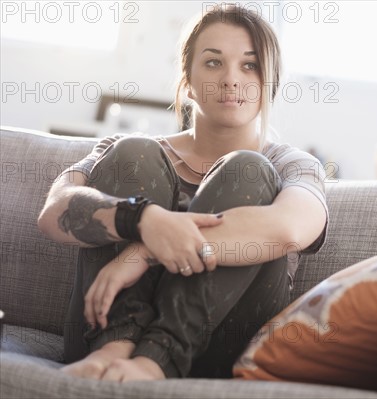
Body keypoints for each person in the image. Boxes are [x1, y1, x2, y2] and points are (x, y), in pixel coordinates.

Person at [37, 4, 328, 382]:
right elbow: (54, 211)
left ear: (269, 81)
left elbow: (290, 228)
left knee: (249, 169)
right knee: (133, 151)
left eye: (249, 65)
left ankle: (154, 362)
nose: (230, 79)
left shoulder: (293, 163)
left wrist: (148, 248)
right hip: (98, 335)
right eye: (212, 63)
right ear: (187, 80)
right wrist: (142, 218)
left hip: (219, 346)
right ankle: (115, 349)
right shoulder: (128, 150)